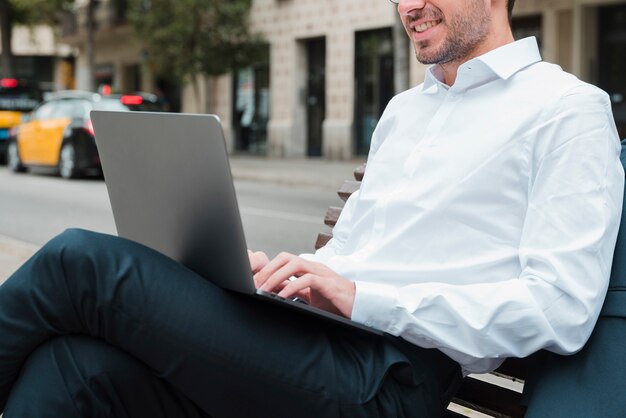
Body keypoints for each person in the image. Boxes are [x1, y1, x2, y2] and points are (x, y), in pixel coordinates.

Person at [0, 0, 623, 417]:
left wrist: (360, 297)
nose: (410, 7)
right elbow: (354, 254)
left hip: (391, 379)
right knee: (75, 366)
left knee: (82, 264)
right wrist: (282, 276)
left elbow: (559, 307)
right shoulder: (407, 112)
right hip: (312, 342)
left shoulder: (567, 109)